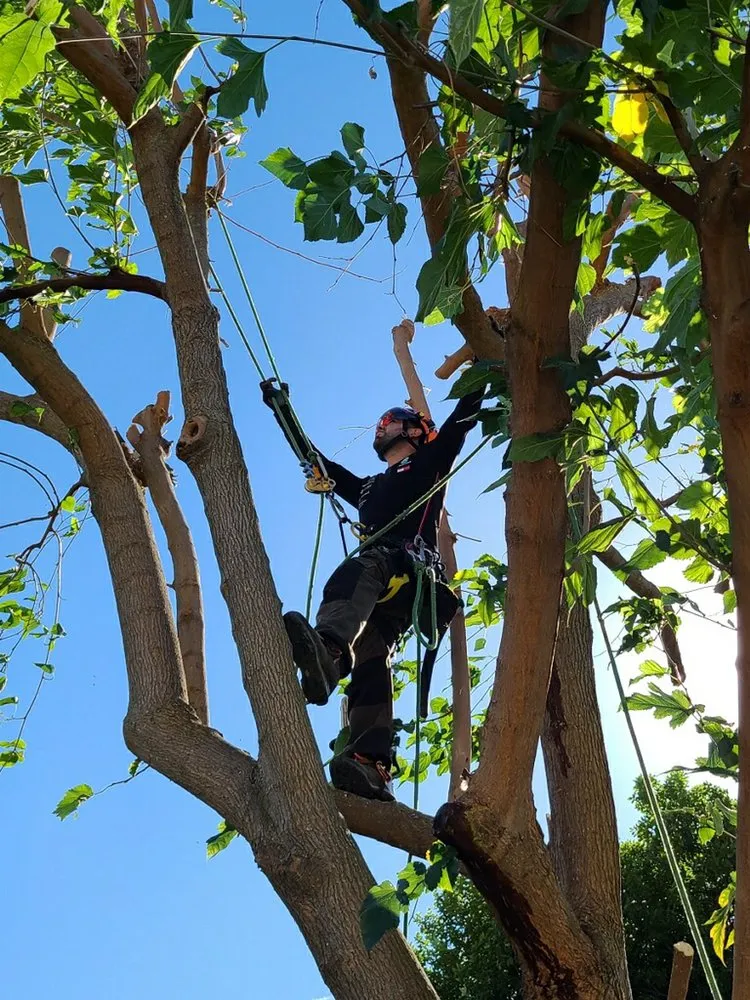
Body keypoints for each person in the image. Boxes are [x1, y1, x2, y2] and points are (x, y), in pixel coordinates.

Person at [261, 353, 483, 802]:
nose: (381, 428)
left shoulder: (431, 461)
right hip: (382, 590)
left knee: (358, 569)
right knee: (371, 654)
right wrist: (283, 411)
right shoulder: (367, 487)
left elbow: (461, 420)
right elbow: (317, 462)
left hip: (407, 571)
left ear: (415, 431)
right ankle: (372, 763)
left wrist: (481, 366)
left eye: (390, 421)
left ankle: (328, 651)